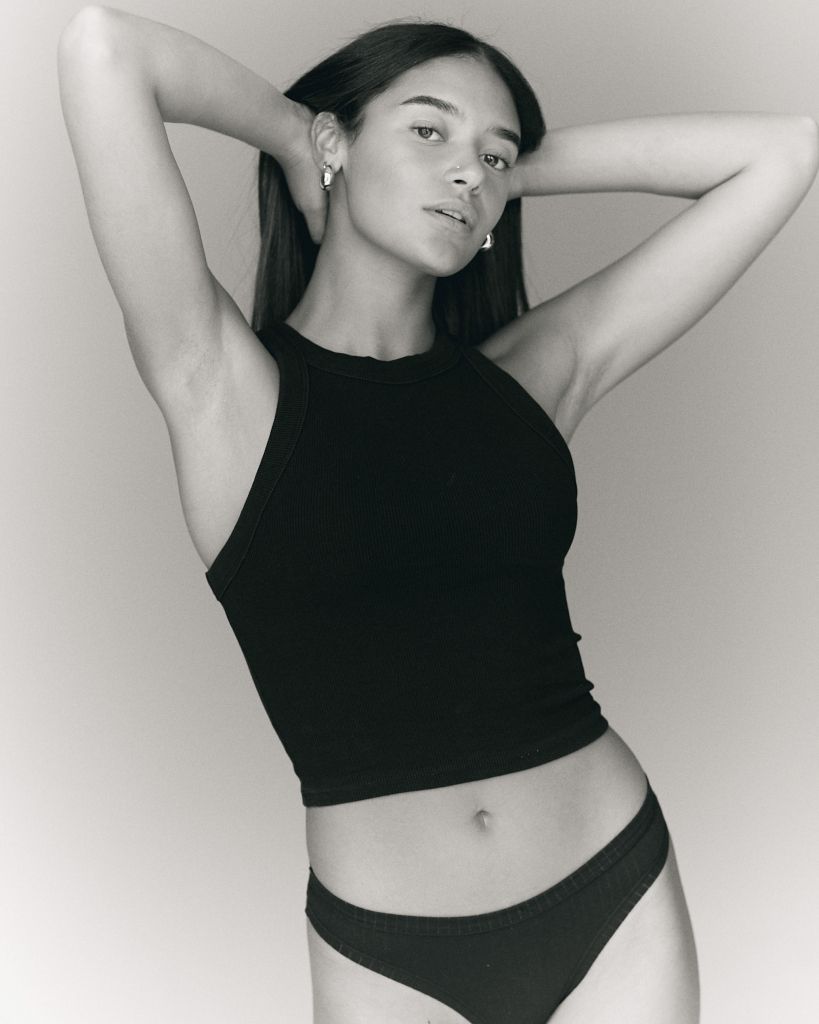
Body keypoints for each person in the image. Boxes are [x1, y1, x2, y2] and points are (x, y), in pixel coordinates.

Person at [57, 7, 818, 1022]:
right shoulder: (222, 390)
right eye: (428, 129)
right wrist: (296, 135)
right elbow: (103, 49)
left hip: (614, 892)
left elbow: (784, 152)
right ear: (337, 140)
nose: (466, 169)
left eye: (493, 153)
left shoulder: (534, 375)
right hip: (389, 951)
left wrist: (503, 176)